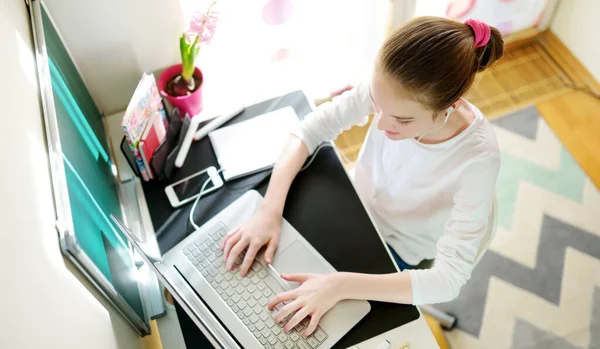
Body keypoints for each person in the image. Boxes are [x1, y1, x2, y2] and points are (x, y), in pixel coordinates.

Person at [220, 16, 504, 336]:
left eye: (401, 120)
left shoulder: (478, 160)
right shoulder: (393, 91)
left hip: (395, 249)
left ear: (449, 106)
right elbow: (310, 128)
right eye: (377, 106)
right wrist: (268, 211)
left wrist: (340, 286)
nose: (381, 125)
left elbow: (449, 279)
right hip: (351, 202)